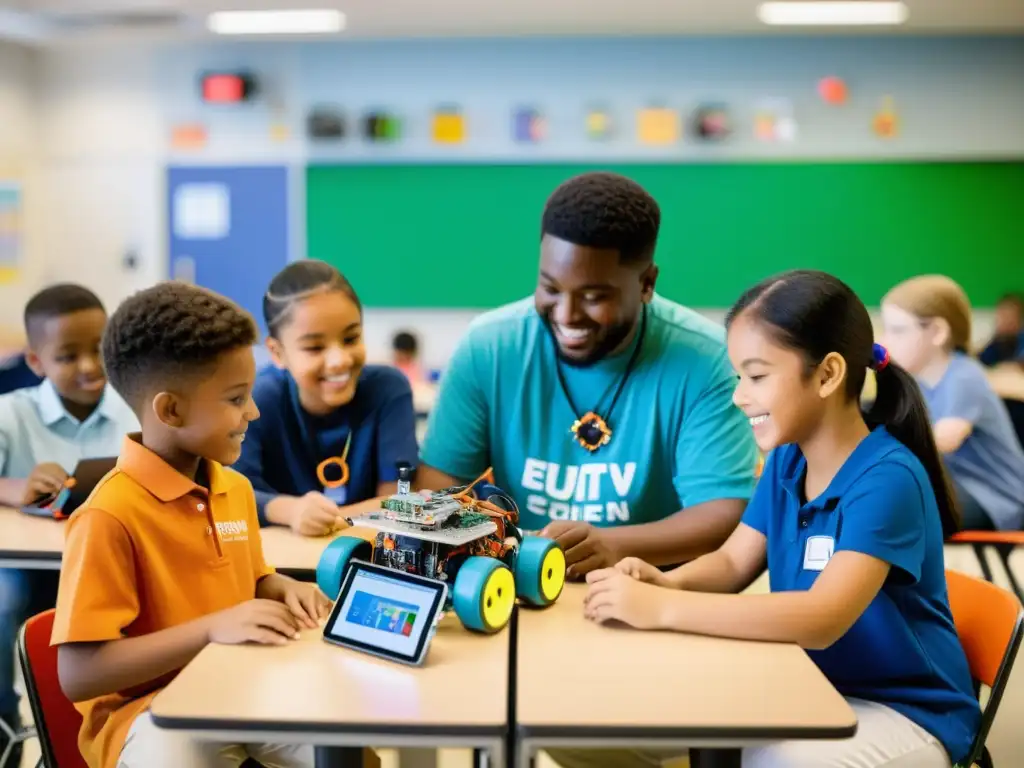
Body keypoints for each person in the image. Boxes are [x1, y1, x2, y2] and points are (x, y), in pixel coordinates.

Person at [571, 270, 981, 768]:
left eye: (757, 376)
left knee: (774, 762)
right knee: (587, 724)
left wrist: (658, 607)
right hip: (807, 681)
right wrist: (667, 582)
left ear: (827, 375)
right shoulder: (790, 458)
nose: (740, 395)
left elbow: (820, 619)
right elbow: (731, 562)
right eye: (740, 376)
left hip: (906, 710)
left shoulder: (887, 478)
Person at [50, 282, 337, 768]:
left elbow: (247, 581)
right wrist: (211, 630)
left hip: (240, 684)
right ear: (171, 410)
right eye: (235, 398)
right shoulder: (108, 515)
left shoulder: (235, 490)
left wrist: (279, 587)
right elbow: (79, 674)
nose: (254, 411)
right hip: (146, 714)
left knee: (342, 748)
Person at [418, 171, 758, 578]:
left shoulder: (707, 359)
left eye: (594, 297)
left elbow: (722, 512)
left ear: (647, 283)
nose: (566, 315)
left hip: (655, 588)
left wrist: (614, 545)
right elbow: (441, 482)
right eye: (550, 288)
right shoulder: (489, 345)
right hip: (518, 580)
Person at [0, 284, 137, 762]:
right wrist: (16, 487)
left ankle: (116, 720)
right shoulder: (12, 412)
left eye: (98, 350)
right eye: (67, 356)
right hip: (28, 569)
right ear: (36, 363)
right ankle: (9, 722)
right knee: (6, 600)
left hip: (107, 557)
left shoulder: (133, 409)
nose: (89, 366)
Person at [233, 260, 419, 537]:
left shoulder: (388, 390)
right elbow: (233, 494)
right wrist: (292, 511)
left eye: (351, 339)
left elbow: (398, 501)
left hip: (364, 556)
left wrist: (329, 519)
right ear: (277, 352)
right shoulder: (258, 400)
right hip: (281, 565)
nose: (339, 361)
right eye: (315, 347)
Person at [881, 275, 1024, 531]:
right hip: (962, 490)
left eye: (898, 330)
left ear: (937, 332)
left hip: (999, 499)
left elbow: (944, 439)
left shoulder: (963, 375)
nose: (886, 341)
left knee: (895, 507)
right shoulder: (919, 382)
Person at [978, 292, 1024, 368]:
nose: (1004, 321)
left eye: (1009, 317)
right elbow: (981, 360)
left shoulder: (1021, 339)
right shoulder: (998, 341)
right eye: (1001, 316)